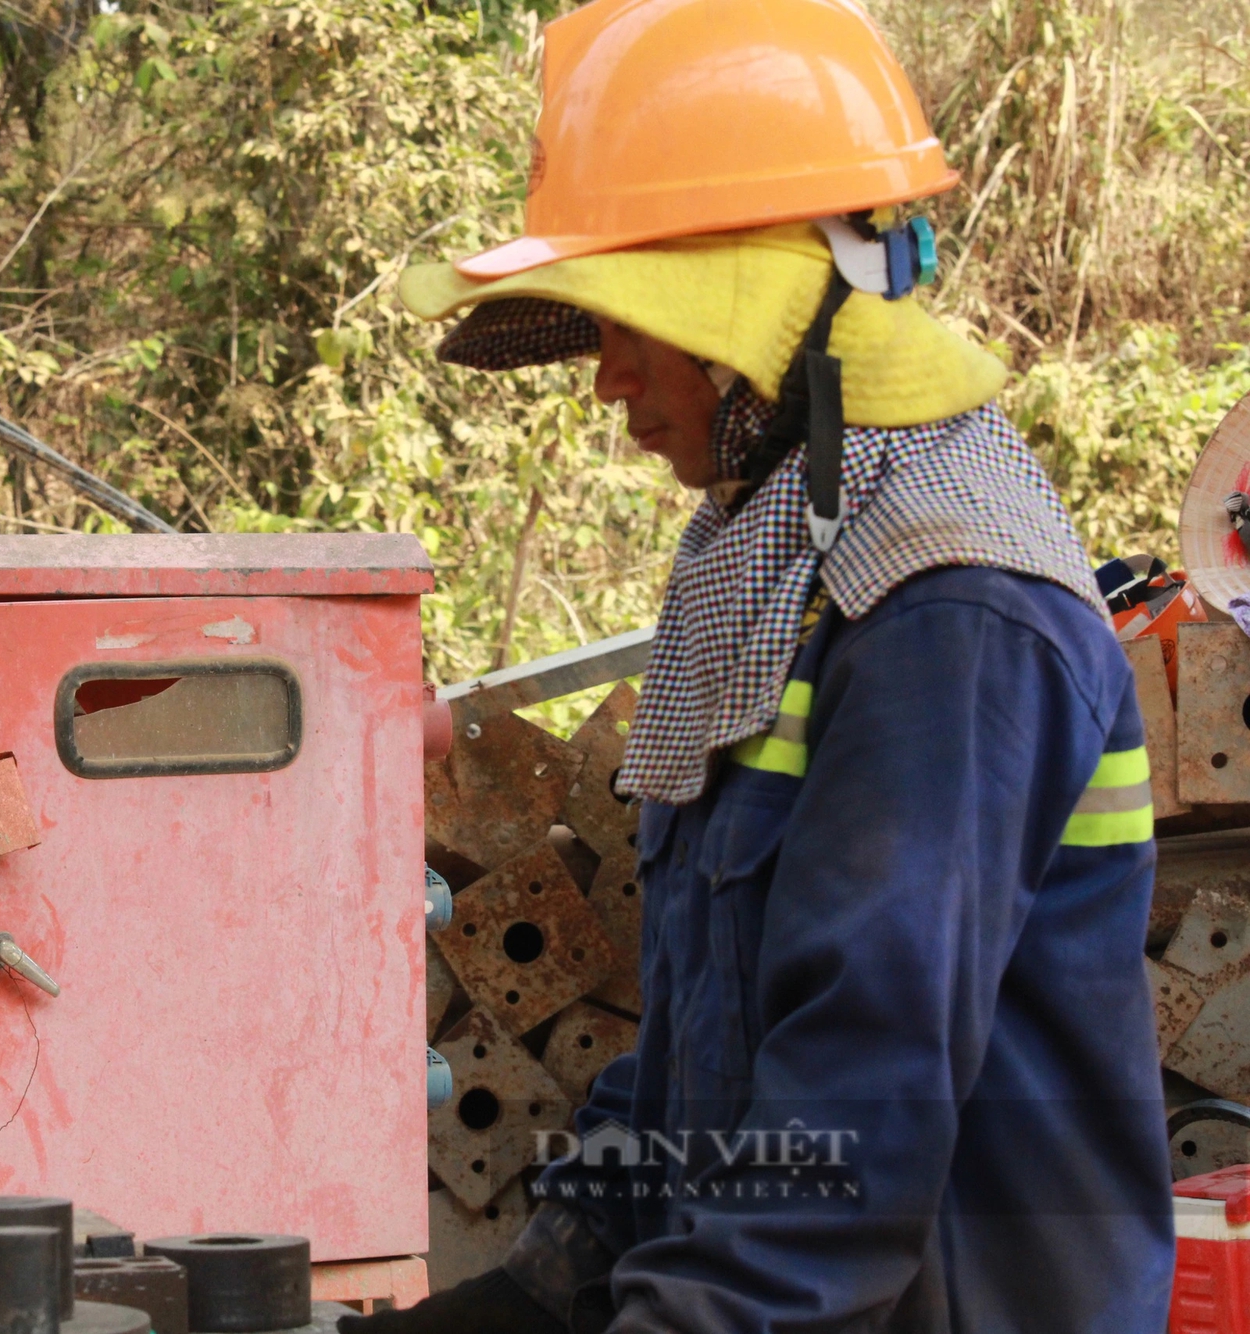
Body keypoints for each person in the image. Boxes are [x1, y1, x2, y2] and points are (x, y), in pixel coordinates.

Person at [351, 0, 1173, 1329]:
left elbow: (842, 1149)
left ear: (765, 307)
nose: (605, 376)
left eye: (630, 318)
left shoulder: (945, 619)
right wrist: (545, 1284)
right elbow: (704, 1055)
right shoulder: (767, 559)